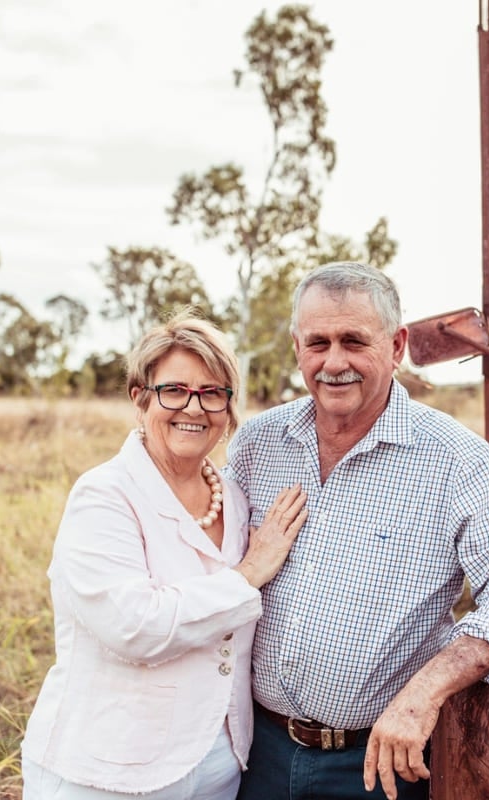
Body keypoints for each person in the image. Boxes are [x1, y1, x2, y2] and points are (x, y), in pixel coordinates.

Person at [225, 262, 489, 800]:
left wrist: (424, 693)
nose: (334, 362)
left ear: (397, 344)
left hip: (376, 765)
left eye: (355, 341)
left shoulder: (455, 458)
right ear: (296, 348)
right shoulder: (257, 444)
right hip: (254, 751)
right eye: (318, 343)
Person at [20, 310, 308, 800]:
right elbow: (135, 626)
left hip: (218, 763)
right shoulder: (104, 495)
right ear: (140, 398)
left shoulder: (235, 499)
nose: (193, 409)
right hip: (108, 771)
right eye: (174, 390)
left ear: (228, 407)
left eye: (212, 393)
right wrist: (247, 575)